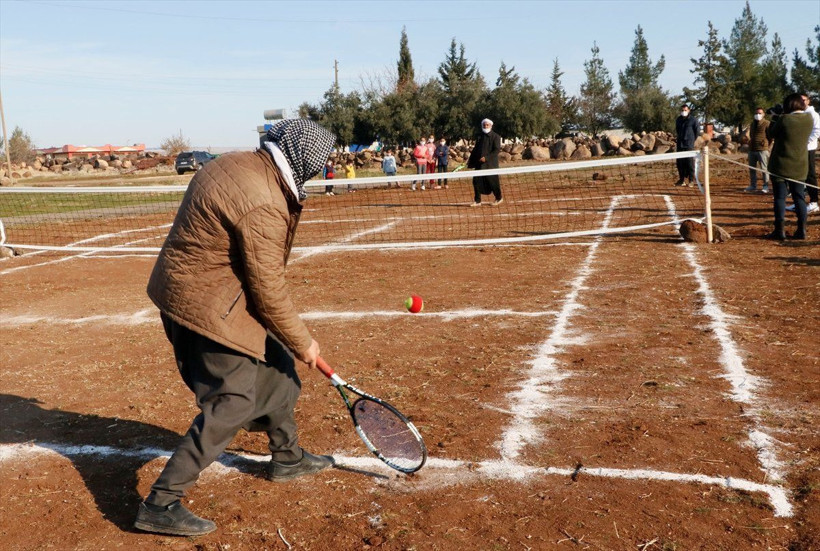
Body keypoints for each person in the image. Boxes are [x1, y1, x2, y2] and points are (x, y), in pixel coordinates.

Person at [134, 119, 336, 537]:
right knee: (233, 402)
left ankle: (288, 457)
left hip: (211, 291)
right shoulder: (264, 201)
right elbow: (268, 290)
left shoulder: (238, 163)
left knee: (280, 374)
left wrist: (290, 347)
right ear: (304, 162)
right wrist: (306, 343)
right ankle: (161, 503)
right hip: (204, 307)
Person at [765, 93, 813, 240]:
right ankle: (802, 230)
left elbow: (771, 133)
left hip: (781, 165)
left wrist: (775, 117)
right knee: (799, 197)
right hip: (800, 165)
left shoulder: (785, 119)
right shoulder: (808, 119)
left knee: (780, 198)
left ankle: (780, 231)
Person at [786, 93, 820, 214]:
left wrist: (803, 143)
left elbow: (817, 132)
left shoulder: (813, 115)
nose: (802, 102)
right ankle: (798, 202)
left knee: (810, 175)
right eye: (800, 100)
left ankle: (814, 202)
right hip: (797, 149)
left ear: (808, 101)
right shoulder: (798, 114)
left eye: (804, 100)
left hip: (808, 148)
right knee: (798, 175)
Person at [467, 118, 503, 206]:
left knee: (493, 182)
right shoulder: (480, 137)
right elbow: (476, 150)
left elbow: (496, 150)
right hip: (479, 164)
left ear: (491, 126)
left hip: (491, 164)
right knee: (476, 181)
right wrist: (470, 160)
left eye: (487, 125)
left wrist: (486, 158)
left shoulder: (496, 137)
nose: (485, 126)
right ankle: (477, 200)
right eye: (484, 125)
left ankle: (498, 198)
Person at [745, 107, 771, 193]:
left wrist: (767, 146)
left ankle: (766, 186)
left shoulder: (767, 123)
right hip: (752, 149)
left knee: (764, 168)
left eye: (760, 113)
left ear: (763, 114)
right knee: (752, 168)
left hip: (762, 149)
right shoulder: (752, 124)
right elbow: (751, 135)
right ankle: (753, 185)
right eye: (756, 113)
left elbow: (770, 137)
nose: (758, 115)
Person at [675, 104, 699, 186]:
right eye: (682, 110)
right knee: (680, 163)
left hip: (688, 144)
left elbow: (697, 132)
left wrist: (691, 140)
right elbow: (677, 130)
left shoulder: (693, 120)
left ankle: (691, 180)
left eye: (685, 110)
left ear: (688, 110)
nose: (683, 112)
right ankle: (681, 180)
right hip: (680, 144)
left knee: (689, 163)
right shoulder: (678, 119)